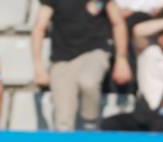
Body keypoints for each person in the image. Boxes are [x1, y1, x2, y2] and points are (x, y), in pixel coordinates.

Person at [31, 0, 132, 132]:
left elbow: (118, 23)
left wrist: (121, 59)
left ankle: (90, 125)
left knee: (88, 81)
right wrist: (38, 67)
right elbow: (39, 27)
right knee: (63, 121)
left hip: (95, 52)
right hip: (62, 59)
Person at [102, 9, 163, 132]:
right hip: (143, 114)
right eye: (161, 33)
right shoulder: (148, 52)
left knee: (159, 125)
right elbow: (138, 31)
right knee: (109, 124)